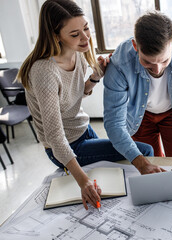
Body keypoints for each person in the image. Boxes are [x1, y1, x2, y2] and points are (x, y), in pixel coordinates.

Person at [16, 0, 153, 210]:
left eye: (86, 28)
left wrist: (94, 79)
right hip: (64, 145)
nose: (85, 37)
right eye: (74, 34)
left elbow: (71, 97)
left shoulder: (76, 55)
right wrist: (82, 180)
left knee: (111, 179)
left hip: (84, 131)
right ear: (55, 36)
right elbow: (55, 136)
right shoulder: (45, 71)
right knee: (145, 151)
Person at [103, 11, 172, 175]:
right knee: (150, 166)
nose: (157, 69)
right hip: (139, 117)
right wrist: (141, 164)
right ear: (135, 46)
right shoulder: (119, 63)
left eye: (164, 60)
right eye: (147, 62)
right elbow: (113, 123)